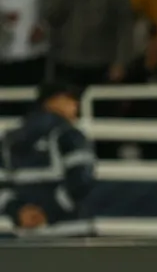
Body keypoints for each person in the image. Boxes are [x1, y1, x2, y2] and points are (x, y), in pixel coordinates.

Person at [0, 81, 96, 237]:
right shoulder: (69, 135)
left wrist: (18, 211)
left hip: (28, 237)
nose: (75, 106)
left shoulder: (9, 140)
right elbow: (81, 181)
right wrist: (47, 211)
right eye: (70, 99)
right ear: (52, 101)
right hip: (72, 233)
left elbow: (2, 188)